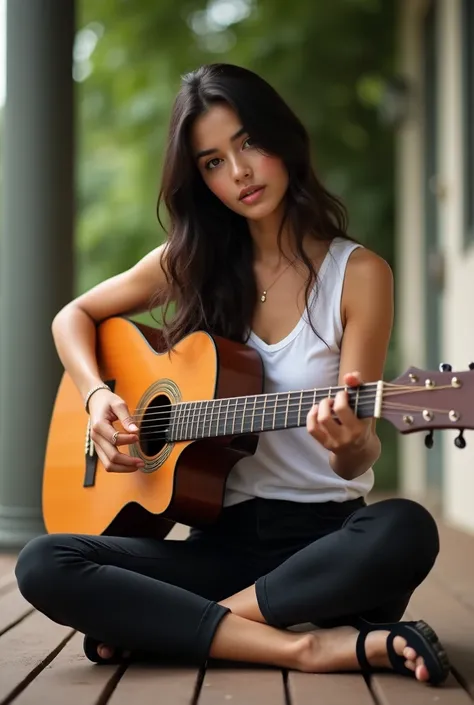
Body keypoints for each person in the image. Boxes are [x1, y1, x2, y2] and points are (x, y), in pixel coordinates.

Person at [15, 63, 449, 686]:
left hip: (322, 549)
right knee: (44, 561)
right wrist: (96, 397)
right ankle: (309, 648)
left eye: (248, 143)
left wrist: (352, 445)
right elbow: (73, 317)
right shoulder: (191, 262)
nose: (239, 172)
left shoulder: (359, 275)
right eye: (213, 161)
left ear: (283, 140)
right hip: (218, 547)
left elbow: (353, 461)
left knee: (405, 529)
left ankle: (190, 627)